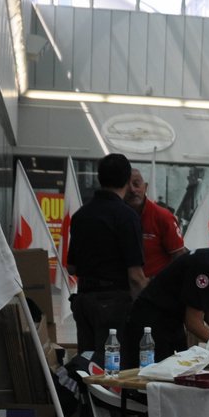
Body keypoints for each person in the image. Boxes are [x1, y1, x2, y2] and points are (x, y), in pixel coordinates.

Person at [123, 228, 209, 366]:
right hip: (150, 322)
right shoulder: (207, 266)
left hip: (173, 323)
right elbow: (193, 322)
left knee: (179, 372)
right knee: (158, 376)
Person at [66, 152, 144, 355]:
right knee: (112, 370)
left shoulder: (80, 216)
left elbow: (72, 267)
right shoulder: (127, 217)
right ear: (127, 180)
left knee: (87, 364)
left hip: (83, 301)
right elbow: (135, 276)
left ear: (100, 179)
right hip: (113, 305)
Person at [126, 168, 184, 277]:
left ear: (146, 187)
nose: (132, 190)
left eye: (136, 184)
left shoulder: (163, 217)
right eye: (127, 186)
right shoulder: (116, 216)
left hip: (155, 288)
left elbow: (180, 257)